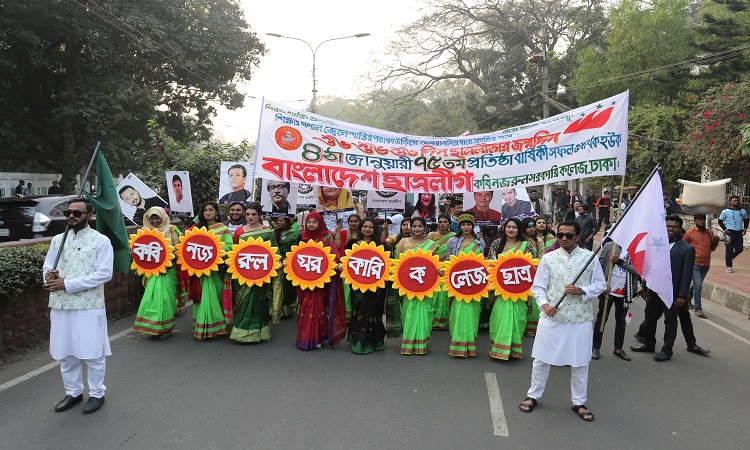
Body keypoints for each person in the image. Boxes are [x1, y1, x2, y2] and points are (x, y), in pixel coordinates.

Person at [518, 221, 606, 422]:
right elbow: (538, 287)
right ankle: (533, 395)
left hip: (579, 318)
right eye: (560, 235)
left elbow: (600, 284)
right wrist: (544, 305)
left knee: (580, 362)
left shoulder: (589, 259)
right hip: (552, 316)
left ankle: (579, 402)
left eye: (568, 235)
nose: (564, 239)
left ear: (577, 237)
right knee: (541, 360)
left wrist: (582, 290)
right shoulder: (548, 258)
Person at [42, 198, 113, 414]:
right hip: (61, 304)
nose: (71, 216)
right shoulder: (57, 240)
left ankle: (96, 394)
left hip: (88, 305)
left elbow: (104, 274)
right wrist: (49, 276)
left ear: (89, 215)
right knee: (66, 352)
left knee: (92, 352)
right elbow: (48, 266)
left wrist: (67, 284)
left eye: (77, 212)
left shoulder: (101, 241)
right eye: (68, 212)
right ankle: (73, 391)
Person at [630, 215, 711, 361]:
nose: (670, 229)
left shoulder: (687, 249)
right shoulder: (657, 244)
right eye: (667, 226)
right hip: (654, 289)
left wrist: (681, 296)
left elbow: (687, 276)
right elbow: (650, 266)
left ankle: (667, 350)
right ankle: (648, 343)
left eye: (674, 227)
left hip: (672, 293)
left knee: (670, 321)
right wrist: (644, 285)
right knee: (650, 317)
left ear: (680, 229)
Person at [231, 202, 277, 343]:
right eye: (248, 214)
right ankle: (242, 333)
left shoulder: (267, 231)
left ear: (260, 216)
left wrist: (278, 262)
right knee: (244, 301)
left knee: (260, 302)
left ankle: (261, 332)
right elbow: (235, 252)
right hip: (244, 273)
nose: (250, 217)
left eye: (254, 214)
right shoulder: (240, 231)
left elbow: (274, 250)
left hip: (261, 273)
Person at [487, 218, 534, 360]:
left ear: (519, 229)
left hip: (520, 289)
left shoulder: (527, 245)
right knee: (499, 317)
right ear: (504, 229)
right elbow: (490, 263)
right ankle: (499, 349)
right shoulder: (497, 244)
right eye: (509, 227)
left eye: (514, 227)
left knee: (518, 318)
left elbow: (531, 266)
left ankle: (514, 349)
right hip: (500, 290)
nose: (511, 230)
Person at [296, 211, 343, 350]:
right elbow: (295, 257)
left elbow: (334, 255)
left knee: (319, 307)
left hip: (321, 280)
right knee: (305, 306)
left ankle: (318, 336)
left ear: (320, 223)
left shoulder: (326, 236)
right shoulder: (301, 237)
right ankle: (305, 337)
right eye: (309, 222)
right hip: (304, 279)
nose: (311, 225)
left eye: (314, 222)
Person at [133, 207, 182, 338]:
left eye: (157, 218)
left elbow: (179, 248)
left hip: (168, 270)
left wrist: (167, 260)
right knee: (151, 298)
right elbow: (137, 251)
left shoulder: (171, 229)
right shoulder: (144, 231)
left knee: (167, 299)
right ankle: (153, 326)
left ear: (163, 217)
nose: (155, 221)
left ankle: (166, 327)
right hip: (150, 272)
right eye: (152, 218)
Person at [189, 202, 233, 339]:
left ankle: (214, 326)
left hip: (216, 269)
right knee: (200, 297)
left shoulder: (223, 228)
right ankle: (201, 326)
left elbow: (229, 246)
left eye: (210, 210)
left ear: (216, 212)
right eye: (205, 210)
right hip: (198, 270)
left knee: (215, 296)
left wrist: (218, 253)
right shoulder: (195, 229)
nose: (208, 213)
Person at [445, 212, 486, 357]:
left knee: (473, 313)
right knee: (457, 312)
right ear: (459, 226)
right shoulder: (452, 242)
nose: (466, 227)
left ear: (472, 226)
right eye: (463, 225)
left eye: (469, 224)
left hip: (474, 282)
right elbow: (449, 261)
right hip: (457, 282)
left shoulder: (480, 242)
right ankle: (458, 343)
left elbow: (482, 262)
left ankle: (470, 344)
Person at [346, 218, 389, 354]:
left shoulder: (381, 245)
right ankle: (358, 342)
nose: (367, 229)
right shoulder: (352, 243)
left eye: (370, 227)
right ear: (360, 227)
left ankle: (375, 342)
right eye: (365, 226)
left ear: (375, 229)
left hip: (376, 287)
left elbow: (389, 262)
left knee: (374, 313)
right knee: (359, 311)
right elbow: (346, 261)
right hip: (358, 286)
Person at [592, 240, 639, 362]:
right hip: (608, 291)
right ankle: (595, 347)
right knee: (602, 319)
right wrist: (601, 285)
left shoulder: (636, 249)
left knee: (621, 321)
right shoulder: (609, 246)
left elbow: (637, 270)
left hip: (625, 293)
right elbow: (600, 266)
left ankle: (618, 348)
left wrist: (620, 262)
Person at [397, 217, 438, 355]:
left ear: (425, 227)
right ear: (410, 227)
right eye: (414, 226)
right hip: (407, 285)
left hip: (424, 286)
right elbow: (398, 264)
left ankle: (421, 343)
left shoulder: (432, 245)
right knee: (408, 313)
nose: (416, 229)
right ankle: (408, 343)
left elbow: (434, 266)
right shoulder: (403, 242)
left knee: (425, 313)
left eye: (420, 226)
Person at [683, 214, 720, 318]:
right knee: (698, 285)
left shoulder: (709, 233)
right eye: (699, 220)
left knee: (696, 284)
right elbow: (684, 247)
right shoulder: (690, 233)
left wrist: (716, 241)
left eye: (703, 220)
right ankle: (698, 309)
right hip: (694, 262)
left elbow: (712, 248)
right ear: (695, 221)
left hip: (706, 263)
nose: (702, 221)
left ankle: (688, 296)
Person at [428, 214, 457, 330]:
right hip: (435, 265)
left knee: (445, 293)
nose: (443, 224)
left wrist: (445, 256)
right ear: (437, 223)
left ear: (449, 224)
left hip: (448, 266)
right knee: (435, 293)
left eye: (445, 222)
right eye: (440, 222)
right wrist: (437, 257)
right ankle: (434, 319)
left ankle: (444, 320)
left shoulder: (454, 236)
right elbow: (427, 248)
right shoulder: (431, 235)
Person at [385, 217, 411, 338]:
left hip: (412, 275)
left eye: (410, 224)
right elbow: (383, 243)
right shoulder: (395, 238)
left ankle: (409, 322)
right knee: (397, 300)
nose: (407, 227)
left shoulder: (423, 241)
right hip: (396, 273)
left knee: (408, 300)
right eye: (404, 224)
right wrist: (385, 230)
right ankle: (397, 325)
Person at [336, 214, 362, 321]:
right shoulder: (343, 233)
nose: (353, 223)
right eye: (351, 221)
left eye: (356, 221)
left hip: (359, 266)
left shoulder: (363, 234)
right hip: (344, 265)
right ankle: (346, 315)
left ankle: (356, 313)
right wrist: (337, 233)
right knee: (345, 291)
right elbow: (338, 247)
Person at [272, 217, 299, 318]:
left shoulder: (294, 233)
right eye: (277, 220)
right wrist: (275, 230)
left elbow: (295, 248)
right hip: (275, 262)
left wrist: (286, 259)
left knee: (287, 287)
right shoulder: (274, 231)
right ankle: (275, 309)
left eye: (282, 220)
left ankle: (287, 310)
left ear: (287, 222)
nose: (279, 222)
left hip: (288, 263)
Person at [718, 195, 748, 273]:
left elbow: (746, 220)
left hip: (739, 233)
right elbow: (720, 221)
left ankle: (729, 258)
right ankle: (729, 266)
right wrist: (725, 229)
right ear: (730, 202)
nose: (736, 202)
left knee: (739, 249)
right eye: (734, 200)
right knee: (729, 250)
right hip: (730, 233)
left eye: (737, 200)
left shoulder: (742, 211)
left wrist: (745, 228)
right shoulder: (725, 211)